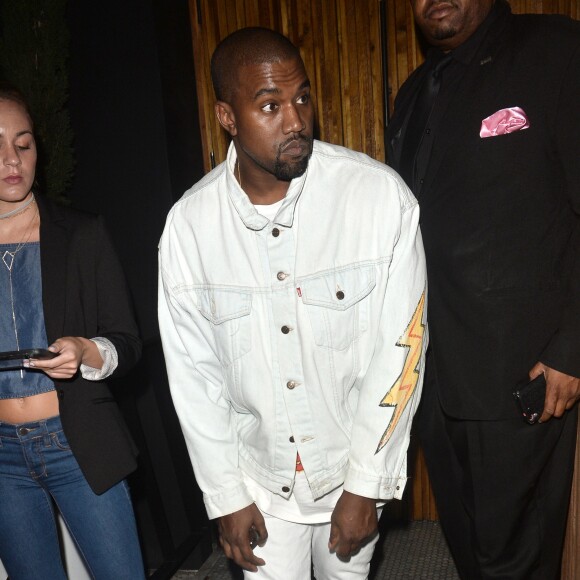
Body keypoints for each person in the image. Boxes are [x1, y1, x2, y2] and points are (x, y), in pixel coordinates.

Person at [158, 27, 427, 579]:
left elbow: (402, 353)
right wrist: (225, 495)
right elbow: (194, 378)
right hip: (256, 477)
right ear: (227, 118)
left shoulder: (378, 199)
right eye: (270, 105)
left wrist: (366, 485)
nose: (296, 120)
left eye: (302, 97)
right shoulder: (189, 227)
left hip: (350, 468)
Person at [386, 1, 580, 578]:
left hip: (522, 372)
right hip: (433, 375)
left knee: (511, 557)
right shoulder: (413, 91)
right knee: (467, 543)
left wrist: (571, 347)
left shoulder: (555, 51)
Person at [0, 85, 145, 579]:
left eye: (23, 143)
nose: (11, 159)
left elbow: (126, 342)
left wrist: (86, 350)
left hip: (74, 442)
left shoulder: (81, 233)